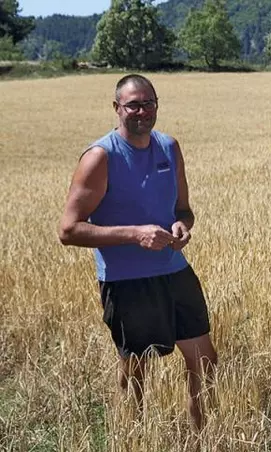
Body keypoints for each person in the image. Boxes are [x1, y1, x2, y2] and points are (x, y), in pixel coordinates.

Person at [59, 74, 217, 431]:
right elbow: (68, 230)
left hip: (174, 271)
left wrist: (182, 226)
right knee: (135, 371)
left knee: (205, 360)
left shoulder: (169, 147)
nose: (142, 111)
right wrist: (135, 234)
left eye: (149, 103)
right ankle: (132, 448)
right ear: (117, 108)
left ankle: (202, 450)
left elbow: (184, 209)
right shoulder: (100, 157)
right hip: (126, 280)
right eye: (133, 104)